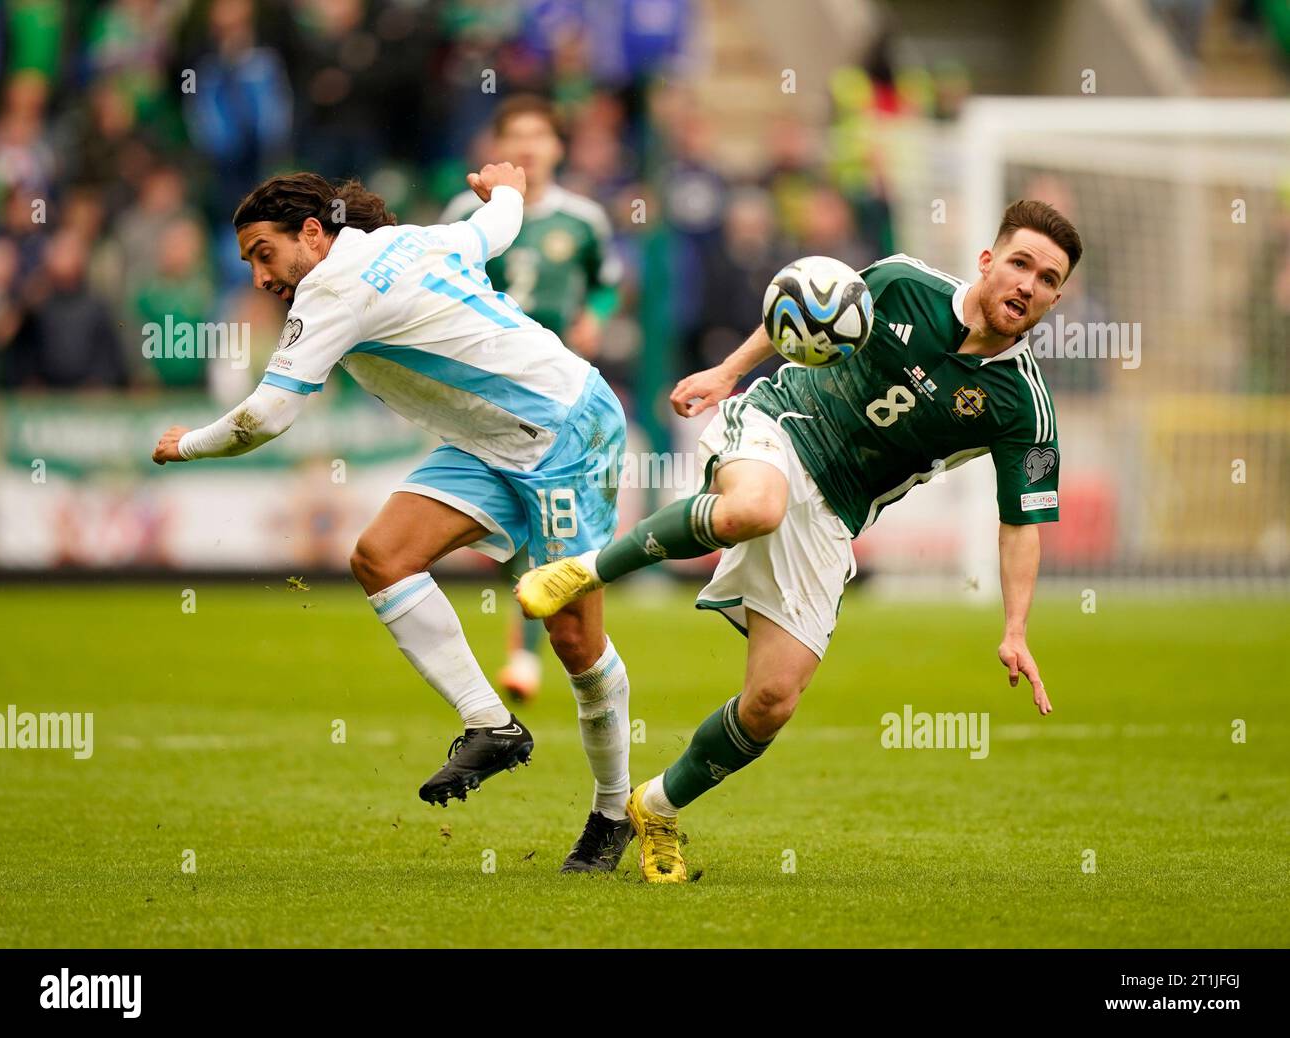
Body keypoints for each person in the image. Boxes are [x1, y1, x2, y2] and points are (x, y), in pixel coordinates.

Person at [517, 200, 1080, 882]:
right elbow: (805, 306)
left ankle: (656, 808)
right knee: (754, 506)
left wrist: (1016, 627)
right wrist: (727, 373)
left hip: (838, 512)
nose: (1027, 284)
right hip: (782, 422)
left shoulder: (1024, 405)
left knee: (772, 702)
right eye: (1019, 263)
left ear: (1055, 298)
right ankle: (587, 570)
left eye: (1047, 279)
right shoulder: (904, 283)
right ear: (988, 261)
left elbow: (1021, 521)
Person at [152, 163, 635, 873]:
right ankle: (490, 724)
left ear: (312, 234)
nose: (261, 277)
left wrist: (185, 444)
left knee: (572, 639)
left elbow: (266, 417)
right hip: (491, 441)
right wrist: (506, 187)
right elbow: (492, 229)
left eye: (264, 254)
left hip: (566, 430)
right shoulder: (412, 239)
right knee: (382, 555)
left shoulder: (330, 291)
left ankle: (614, 811)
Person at [440, 94, 621, 703]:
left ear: (557, 148)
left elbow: (604, 284)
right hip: (481, 388)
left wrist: (593, 317)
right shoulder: (466, 212)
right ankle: (539, 641)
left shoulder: (583, 220)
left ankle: (529, 650)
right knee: (520, 519)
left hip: (555, 387)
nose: (527, 146)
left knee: (545, 515)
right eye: (515, 135)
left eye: (539, 135)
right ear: (498, 147)